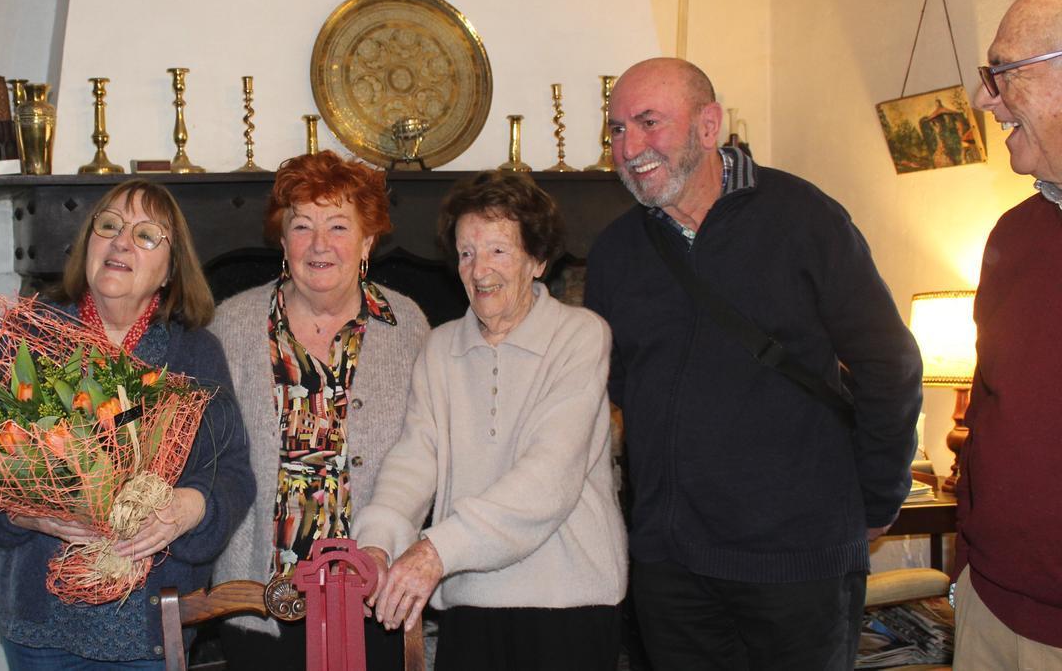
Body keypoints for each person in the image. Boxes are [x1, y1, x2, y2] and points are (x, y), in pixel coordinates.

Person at [583, 58, 922, 670]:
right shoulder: (615, 253)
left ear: (708, 125)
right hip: (671, 566)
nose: (629, 147)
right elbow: (621, 386)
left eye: (648, 122)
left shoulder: (803, 218)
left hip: (796, 561)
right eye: (616, 129)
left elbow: (888, 363)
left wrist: (875, 500)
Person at [0, 179, 255, 669]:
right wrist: (14, 514)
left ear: (170, 269)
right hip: (39, 628)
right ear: (88, 243)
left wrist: (189, 507)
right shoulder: (28, 333)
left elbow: (232, 470)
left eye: (147, 234)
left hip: (150, 630)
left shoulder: (194, 352)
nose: (121, 241)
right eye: (109, 225)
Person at [354, 170, 628, 671]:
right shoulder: (440, 348)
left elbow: (549, 476)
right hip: (471, 598)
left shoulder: (580, 336)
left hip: (569, 600)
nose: (480, 269)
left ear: (537, 259)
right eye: (465, 252)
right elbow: (416, 459)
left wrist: (434, 552)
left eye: (499, 250)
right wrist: (377, 540)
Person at [210, 150, 429, 670]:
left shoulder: (408, 326)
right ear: (283, 242)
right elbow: (209, 455)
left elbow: (430, 450)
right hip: (260, 597)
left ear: (367, 241)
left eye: (338, 225)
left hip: (375, 596)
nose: (320, 244)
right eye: (302, 226)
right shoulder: (231, 324)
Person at [953, 0, 1062, 667]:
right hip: (991, 606)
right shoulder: (1014, 236)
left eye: (1004, 72)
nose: (982, 98)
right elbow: (991, 408)